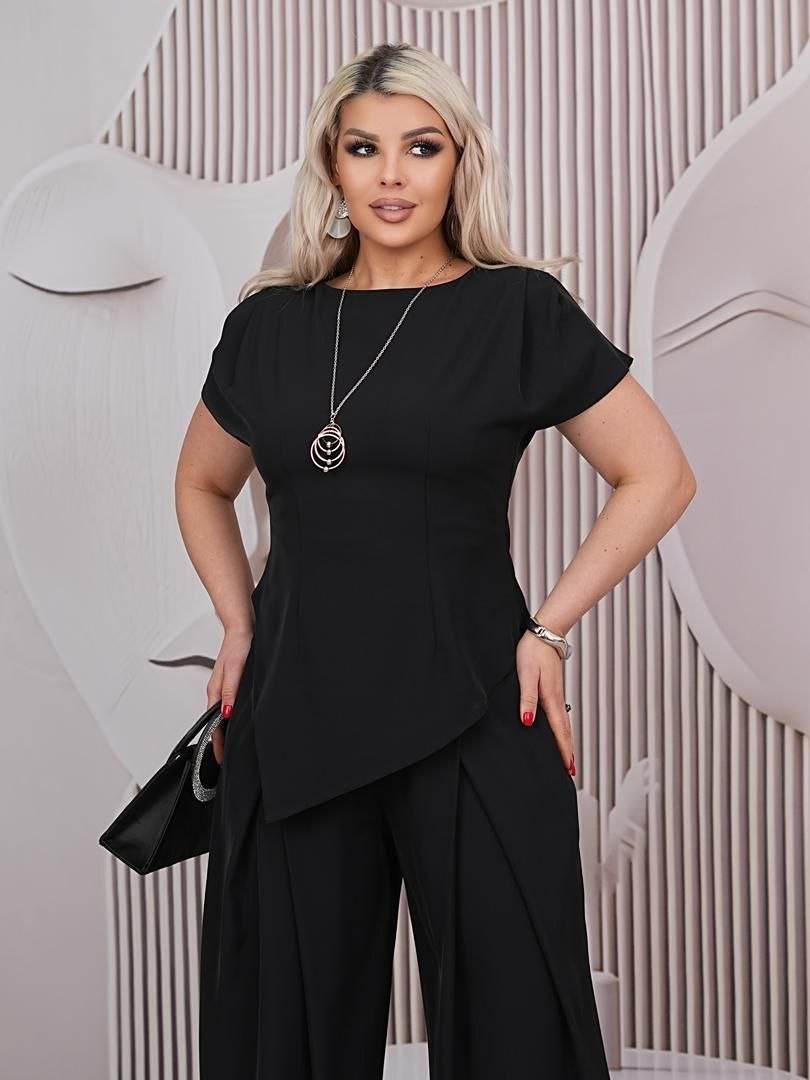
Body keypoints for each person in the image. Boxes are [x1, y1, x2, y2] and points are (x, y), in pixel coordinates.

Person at [175, 41, 696, 1080]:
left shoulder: (516, 311)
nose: (392, 175)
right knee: (286, 1036)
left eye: (421, 147)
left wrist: (549, 631)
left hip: (475, 705)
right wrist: (238, 625)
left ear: (460, 160)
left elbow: (659, 475)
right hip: (296, 713)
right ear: (331, 163)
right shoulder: (266, 326)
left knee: (517, 1030)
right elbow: (201, 484)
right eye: (363, 148)